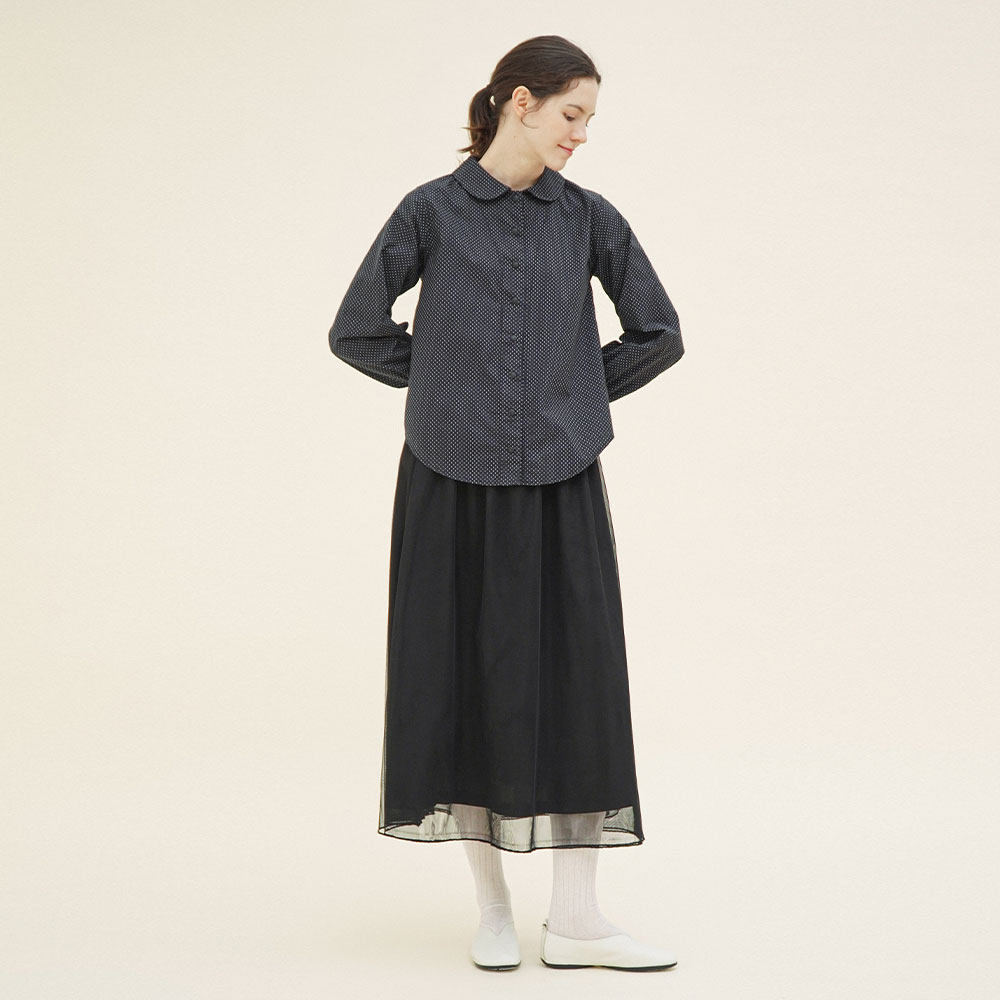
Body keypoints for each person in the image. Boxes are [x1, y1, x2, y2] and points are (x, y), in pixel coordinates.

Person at [328, 35, 684, 973]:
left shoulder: (590, 219)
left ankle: (576, 919)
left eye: (588, 120)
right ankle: (491, 910)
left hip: (562, 479)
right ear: (519, 101)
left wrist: (572, 396)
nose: (581, 135)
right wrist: (449, 388)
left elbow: (659, 332)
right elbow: (356, 329)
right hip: (448, 480)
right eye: (572, 114)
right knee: (462, 680)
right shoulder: (430, 212)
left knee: (579, 682)